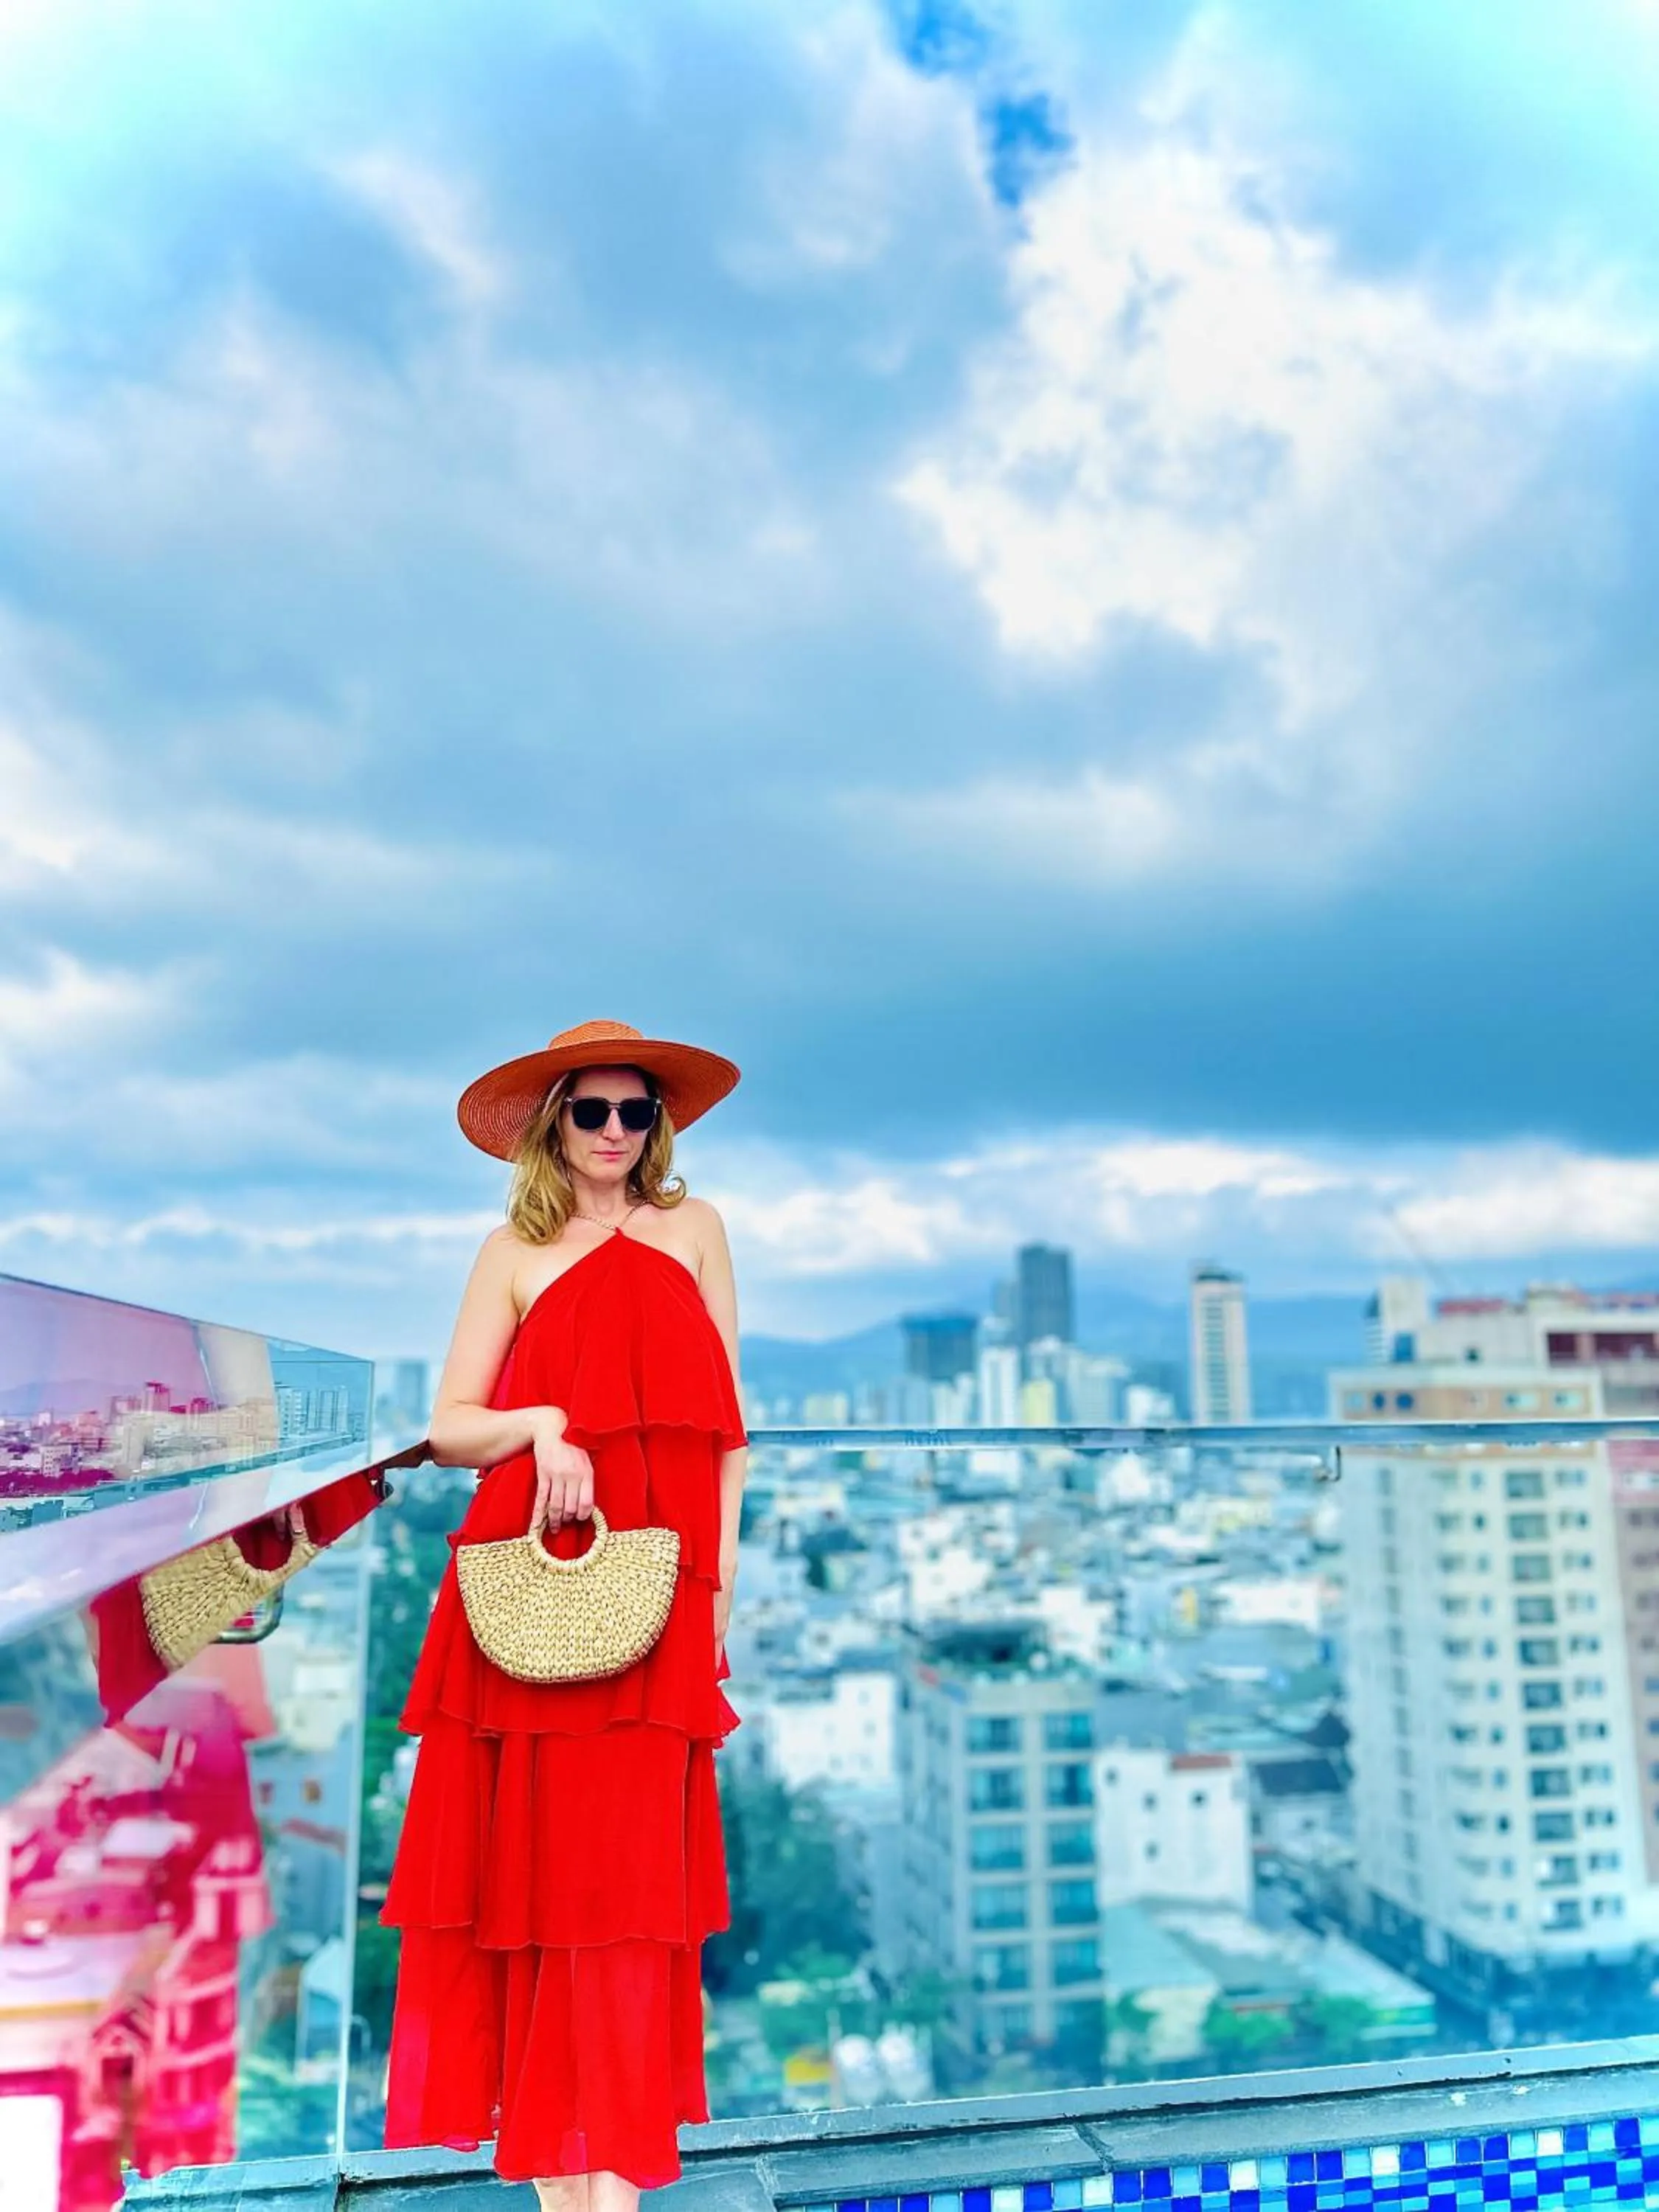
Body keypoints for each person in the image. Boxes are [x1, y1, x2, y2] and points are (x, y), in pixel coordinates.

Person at [379, 1018, 748, 2211]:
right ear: (553, 1124)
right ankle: (555, 2186)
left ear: (659, 1125)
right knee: (531, 1884)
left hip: (662, 1594)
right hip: (528, 1584)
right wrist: (542, 1427)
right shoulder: (512, 1249)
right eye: (589, 1112)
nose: (612, 1133)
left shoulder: (697, 1232)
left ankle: (620, 2186)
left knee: (633, 1892)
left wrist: (718, 1592)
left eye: (634, 1112)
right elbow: (449, 1426)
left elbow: (727, 1436)